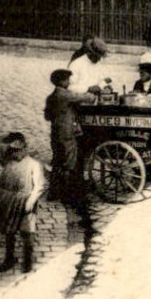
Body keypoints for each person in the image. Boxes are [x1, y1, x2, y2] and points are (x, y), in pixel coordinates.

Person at [0, 133, 46, 273]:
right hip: (9, 201)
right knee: (9, 231)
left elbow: (40, 186)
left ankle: (27, 262)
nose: (16, 153)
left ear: (25, 148)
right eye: (14, 150)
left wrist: (31, 201)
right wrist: (8, 144)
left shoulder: (34, 164)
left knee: (27, 232)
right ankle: (9, 259)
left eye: (19, 149)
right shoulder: (8, 161)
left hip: (25, 202)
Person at [44, 69, 95, 204]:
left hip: (55, 133)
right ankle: (68, 195)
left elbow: (47, 116)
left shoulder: (51, 97)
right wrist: (93, 92)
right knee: (69, 164)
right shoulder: (65, 95)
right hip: (67, 134)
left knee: (57, 162)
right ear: (62, 81)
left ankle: (53, 192)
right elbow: (87, 98)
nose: (69, 81)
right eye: (67, 79)